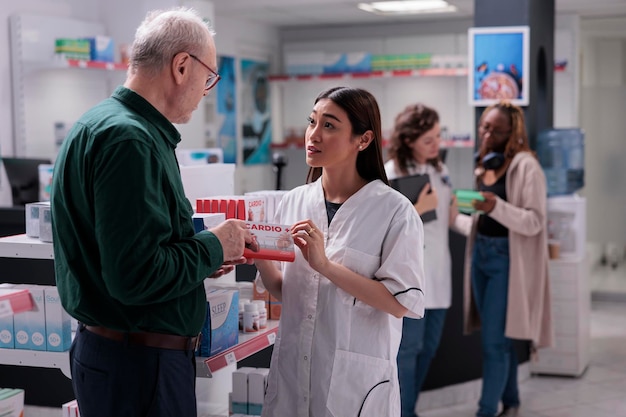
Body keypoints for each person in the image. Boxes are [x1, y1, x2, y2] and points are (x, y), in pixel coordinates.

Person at [50, 8, 258, 417]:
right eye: (209, 78)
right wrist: (213, 248)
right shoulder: (130, 141)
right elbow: (136, 275)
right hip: (141, 369)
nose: (206, 91)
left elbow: (133, 254)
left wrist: (198, 256)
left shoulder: (103, 124)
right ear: (182, 66)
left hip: (123, 358)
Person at [254, 86, 426, 417]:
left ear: (363, 140)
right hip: (293, 376)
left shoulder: (394, 211)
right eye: (312, 122)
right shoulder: (293, 202)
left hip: (354, 388)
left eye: (329, 125)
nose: (313, 135)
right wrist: (260, 257)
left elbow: (401, 303)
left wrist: (325, 265)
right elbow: (288, 292)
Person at [455, 101, 553, 417]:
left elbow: (535, 221)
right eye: (485, 127)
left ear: (513, 132)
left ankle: (486, 411)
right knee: (498, 338)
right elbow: (479, 219)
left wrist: (496, 206)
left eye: (497, 130)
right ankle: (511, 402)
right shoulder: (482, 165)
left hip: (506, 261)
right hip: (481, 254)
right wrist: (454, 215)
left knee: (493, 344)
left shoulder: (527, 166)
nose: (488, 134)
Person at [384, 104, 461, 417]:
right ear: (408, 140)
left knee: (429, 349)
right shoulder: (391, 174)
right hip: (410, 278)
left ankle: (409, 409)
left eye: (438, 137)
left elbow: (449, 218)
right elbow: (383, 230)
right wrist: (419, 207)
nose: (436, 145)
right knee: (408, 352)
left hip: (440, 275)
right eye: (428, 140)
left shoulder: (439, 170)